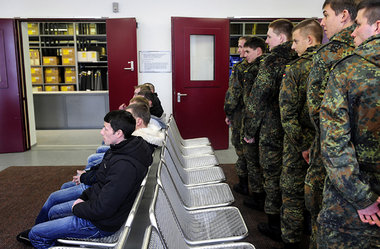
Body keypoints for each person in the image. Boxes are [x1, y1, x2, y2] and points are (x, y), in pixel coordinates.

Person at [16, 106, 164, 247]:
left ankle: (50, 239)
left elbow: (103, 208)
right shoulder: (121, 148)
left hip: (100, 224)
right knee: (54, 211)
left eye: (105, 128)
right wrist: (84, 196)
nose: (101, 132)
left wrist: (78, 207)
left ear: (119, 133)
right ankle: (57, 238)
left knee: (36, 234)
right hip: (99, 209)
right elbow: (102, 182)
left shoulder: (125, 166)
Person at [318, 0, 380, 247]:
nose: (353, 32)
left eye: (359, 24)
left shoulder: (348, 70)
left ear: (377, 26)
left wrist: (363, 199)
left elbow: (334, 143)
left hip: (351, 209)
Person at [305, 0, 357, 247]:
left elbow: (318, 112)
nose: (322, 22)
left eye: (325, 15)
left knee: (325, 222)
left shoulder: (328, 54)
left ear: (344, 15)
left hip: (333, 158)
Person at [243, 19, 298, 241]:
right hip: (295, 132)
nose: (266, 41)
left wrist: (249, 131)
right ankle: (297, 225)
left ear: (282, 38)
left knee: (273, 177)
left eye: (269, 37)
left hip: (272, 129)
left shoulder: (272, 60)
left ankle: (275, 225)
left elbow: (258, 98)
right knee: (293, 179)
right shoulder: (299, 56)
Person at [278, 19, 323, 249]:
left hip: (298, 148)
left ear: (309, 39)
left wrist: (303, 145)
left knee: (293, 195)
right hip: (325, 147)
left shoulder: (296, 68)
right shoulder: (332, 63)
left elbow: (287, 114)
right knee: (318, 198)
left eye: (295, 41)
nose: (292, 47)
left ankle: (292, 241)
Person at [239, 36, 267, 210]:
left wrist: (249, 131)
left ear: (258, 51)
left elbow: (254, 104)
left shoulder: (258, 70)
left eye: (247, 51)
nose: (243, 54)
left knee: (255, 162)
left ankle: (259, 199)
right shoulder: (264, 67)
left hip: (261, 126)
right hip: (265, 125)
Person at [224, 36, 250, 195]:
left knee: (241, 152)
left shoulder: (240, 68)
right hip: (252, 117)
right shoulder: (261, 66)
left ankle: (244, 184)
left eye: (242, 47)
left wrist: (228, 111)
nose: (239, 50)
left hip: (241, 116)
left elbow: (233, 95)